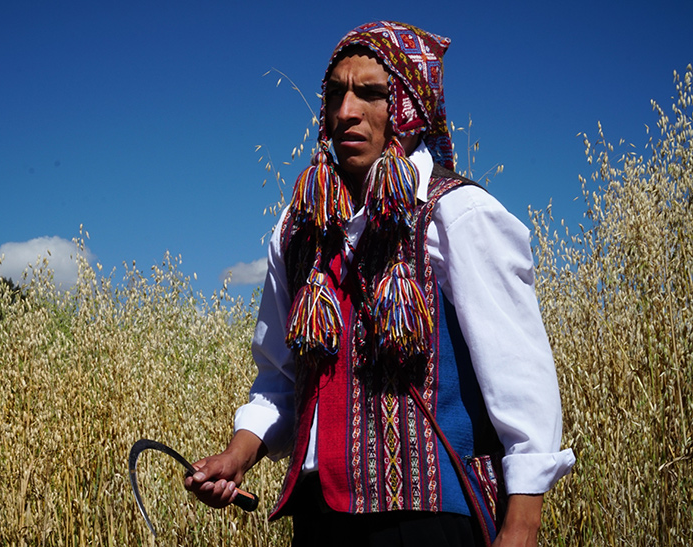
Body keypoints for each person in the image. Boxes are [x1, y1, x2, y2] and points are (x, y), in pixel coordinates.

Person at [185, 21, 575, 547]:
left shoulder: (455, 214)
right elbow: (280, 378)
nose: (347, 111)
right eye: (336, 94)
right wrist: (238, 455)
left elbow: (520, 376)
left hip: (430, 522)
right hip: (320, 521)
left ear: (408, 110)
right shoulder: (297, 230)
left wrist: (521, 525)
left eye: (371, 94)